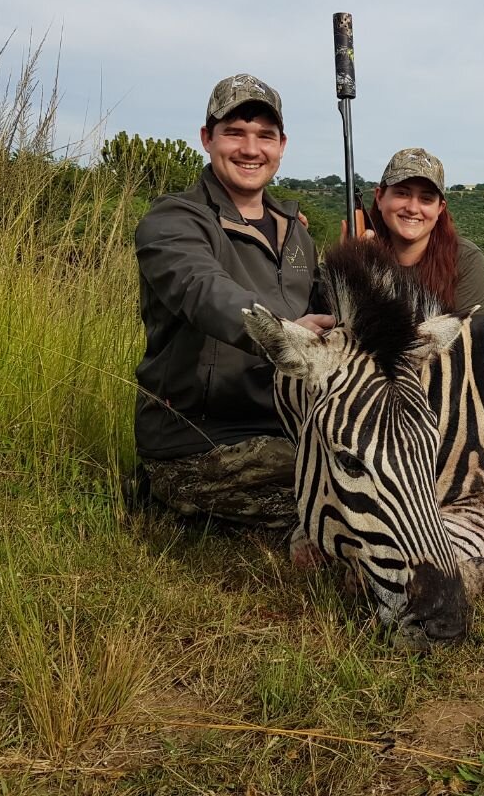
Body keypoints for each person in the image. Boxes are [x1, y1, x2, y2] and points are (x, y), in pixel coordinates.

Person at [130, 73, 333, 537]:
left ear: (282, 146)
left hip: (287, 425)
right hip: (203, 438)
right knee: (335, 505)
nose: (250, 148)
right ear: (207, 139)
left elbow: (328, 307)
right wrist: (284, 334)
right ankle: (170, 494)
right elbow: (204, 291)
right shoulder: (172, 220)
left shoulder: (295, 230)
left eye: (264, 136)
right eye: (234, 133)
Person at [365, 147, 484, 314]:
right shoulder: (358, 251)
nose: (412, 208)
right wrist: (351, 266)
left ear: (440, 208)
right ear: (379, 197)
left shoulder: (465, 258)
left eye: (426, 199)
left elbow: (472, 335)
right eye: (402, 193)